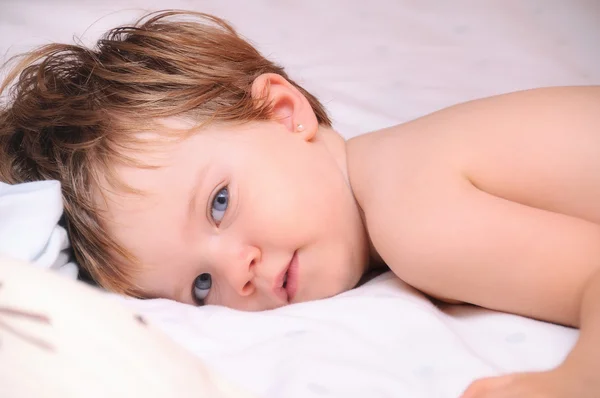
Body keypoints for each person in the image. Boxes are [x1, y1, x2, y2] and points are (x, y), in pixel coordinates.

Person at [1, 10, 598, 397]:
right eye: (201, 286)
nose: (237, 270)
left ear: (285, 113)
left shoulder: (412, 217)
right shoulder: (403, 166)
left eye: (219, 204)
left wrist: (570, 384)